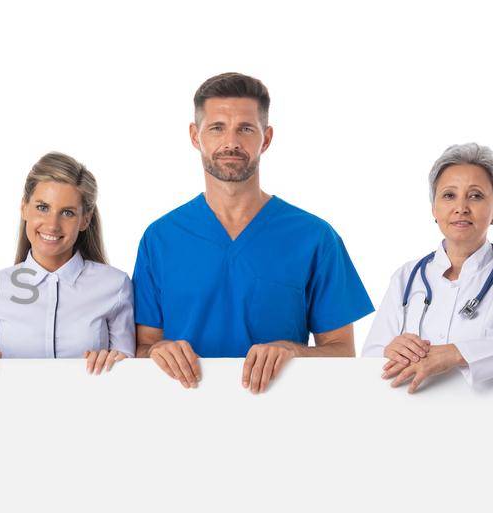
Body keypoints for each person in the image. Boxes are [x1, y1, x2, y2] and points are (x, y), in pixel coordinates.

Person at [132, 73, 372, 394]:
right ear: (194, 136)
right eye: (217, 128)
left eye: (245, 129)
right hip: (181, 415)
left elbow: (342, 351)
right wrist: (157, 351)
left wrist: (293, 350)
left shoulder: (314, 238)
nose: (231, 142)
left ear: (267, 138)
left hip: (283, 417)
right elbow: (142, 347)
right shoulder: (160, 239)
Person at [362, 143, 493, 392]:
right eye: (449, 195)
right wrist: (389, 350)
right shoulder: (406, 277)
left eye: (476, 195)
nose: (461, 207)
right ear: (434, 208)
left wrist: (458, 353)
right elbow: (369, 360)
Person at [0, 152, 134, 375]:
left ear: (85, 220)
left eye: (68, 213)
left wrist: (116, 361)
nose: (52, 225)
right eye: (42, 207)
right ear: (24, 208)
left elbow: (130, 372)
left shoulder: (115, 285)